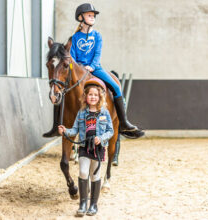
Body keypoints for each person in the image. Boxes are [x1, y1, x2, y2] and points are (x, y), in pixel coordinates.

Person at [43, 3, 144, 139]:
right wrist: (79, 67)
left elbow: (97, 54)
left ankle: (124, 122)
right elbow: (71, 56)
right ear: (80, 17)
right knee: (60, 90)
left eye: (93, 15)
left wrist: (91, 66)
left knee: (115, 87)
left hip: (95, 68)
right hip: (78, 70)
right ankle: (56, 125)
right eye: (89, 14)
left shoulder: (97, 36)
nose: (92, 16)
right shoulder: (74, 38)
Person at [58, 78, 114, 216]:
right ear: (85, 96)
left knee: (95, 175)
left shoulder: (105, 112)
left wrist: (100, 139)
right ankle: (83, 204)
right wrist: (65, 131)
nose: (93, 97)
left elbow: (110, 131)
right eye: (90, 95)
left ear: (100, 96)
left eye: (95, 95)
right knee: (83, 172)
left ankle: (93, 205)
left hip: (98, 148)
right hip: (83, 147)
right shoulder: (81, 113)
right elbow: (74, 130)